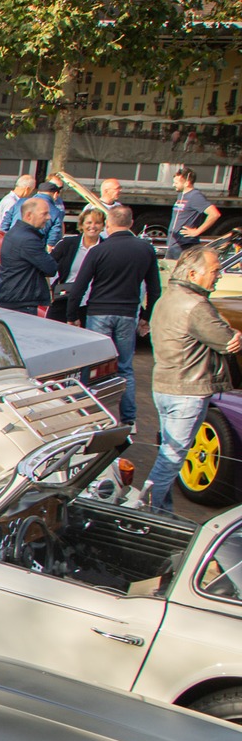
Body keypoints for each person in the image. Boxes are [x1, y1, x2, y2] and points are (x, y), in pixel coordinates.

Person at [148, 244, 240, 511]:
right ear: (192, 275)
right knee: (171, 459)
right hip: (187, 390)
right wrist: (235, 334)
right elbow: (226, 340)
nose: (219, 275)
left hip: (164, 385)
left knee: (169, 452)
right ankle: (145, 511)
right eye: (214, 270)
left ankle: (163, 514)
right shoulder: (197, 306)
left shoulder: (168, 298)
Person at [68, 204, 163, 429]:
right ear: (131, 224)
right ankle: (129, 419)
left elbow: (79, 286)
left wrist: (72, 315)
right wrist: (146, 316)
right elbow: (155, 288)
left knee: (95, 366)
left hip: (99, 311)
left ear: (108, 225)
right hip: (128, 313)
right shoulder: (145, 249)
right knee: (125, 367)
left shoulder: (98, 251)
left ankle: (93, 417)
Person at [0, 197, 58, 316]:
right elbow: (51, 268)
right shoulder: (29, 240)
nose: (48, 217)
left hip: (13, 298)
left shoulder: (14, 232)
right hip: (21, 303)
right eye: (44, 214)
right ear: (29, 215)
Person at [168, 167, 221, 259]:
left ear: (187, 183)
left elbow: (215, 214)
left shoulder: (195, 196)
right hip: (175, 243)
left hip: (185, 245)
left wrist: (197, 231)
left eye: (176, 183)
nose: (173, 185)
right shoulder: (181, 195)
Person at [35, 180, 67, 249]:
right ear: (55, 194)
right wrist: (50, 247)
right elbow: (55, 234)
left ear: (38, 192)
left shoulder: (19, 203)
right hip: (38, 247)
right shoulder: (55, 211)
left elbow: (6, 223)